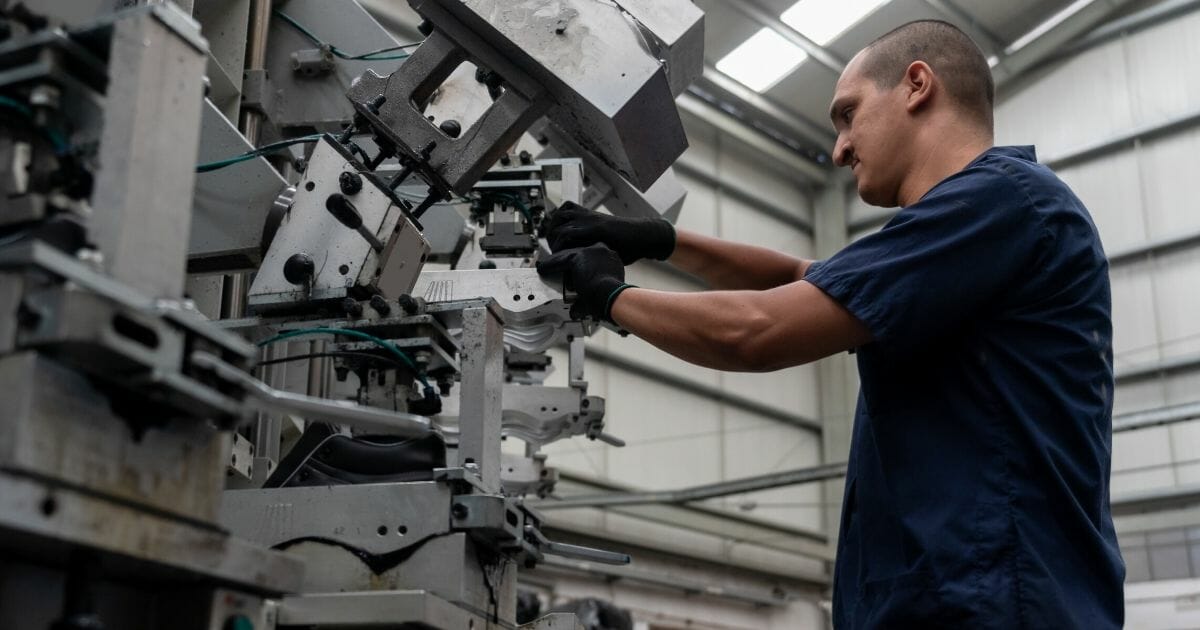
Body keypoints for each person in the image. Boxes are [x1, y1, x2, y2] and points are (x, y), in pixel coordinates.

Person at [536, 19, 1125, 629]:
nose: (839, 148)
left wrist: (609, 295)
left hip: (994, 606)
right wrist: (659, 241)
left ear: (917, 85)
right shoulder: (970, 229)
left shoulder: (999, 204)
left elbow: (757, 330)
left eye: (848, 114)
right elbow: (799, 273)